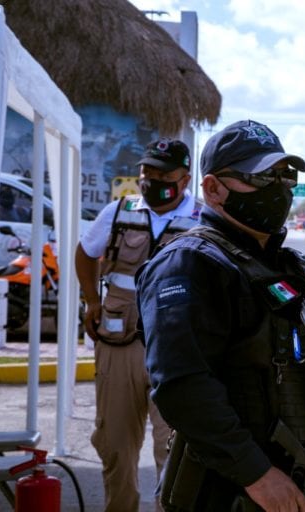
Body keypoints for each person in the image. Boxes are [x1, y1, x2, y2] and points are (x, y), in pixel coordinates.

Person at [135, 120, 305, 511]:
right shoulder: (189, 264)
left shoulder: (288, 266)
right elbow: (182, 387)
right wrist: (257, 475)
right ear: (213, 188)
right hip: (229, 494)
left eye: (285, 176)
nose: (278, 188)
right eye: (261, 177)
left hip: (301, 487)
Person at [75, 137, 198, 512]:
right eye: (147, 172)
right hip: (120, 343)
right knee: (114, 443)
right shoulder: (118, 211)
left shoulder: (204, 220)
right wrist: (92, 301)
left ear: (185, 179)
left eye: (163, 175)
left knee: (174, 451)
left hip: (178, 351)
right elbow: (85, 252)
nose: (152, 180)